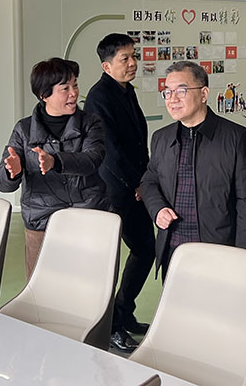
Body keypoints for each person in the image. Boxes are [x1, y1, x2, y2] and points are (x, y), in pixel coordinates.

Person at [139, 60, 246, 277]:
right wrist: (157, 209)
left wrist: (244, 257)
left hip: (218, 250)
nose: (173, 99)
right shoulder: (161, 138)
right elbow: (149, 181)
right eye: (167, 92)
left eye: (182, 91)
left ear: (204, 94)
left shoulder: (236, 137)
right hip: (174, 249)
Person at [0, 58, 108, 278]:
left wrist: (55, 161)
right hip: (42, 221)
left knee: (90, 287)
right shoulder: (24, 130)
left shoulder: (90, 123)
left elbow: (92, 160)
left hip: (87, 216)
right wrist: (12, 173)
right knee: (40, 289)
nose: (73, 93)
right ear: (44, 94)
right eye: (65, 88)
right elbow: (2, 184)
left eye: (75, 85)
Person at [84, 33, 154, 352]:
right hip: (116, 190)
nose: (133, 63)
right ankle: (112, 325)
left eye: (133, 56)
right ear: (107, 66)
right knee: (127, 254)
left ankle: (123, 314)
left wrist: (146, 178)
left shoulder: (126, 91)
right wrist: (136, 183)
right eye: (125, 58)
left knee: (145, 249)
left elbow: (138, 140)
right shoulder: (99, 97)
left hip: (135, 186)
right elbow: (110, 151)